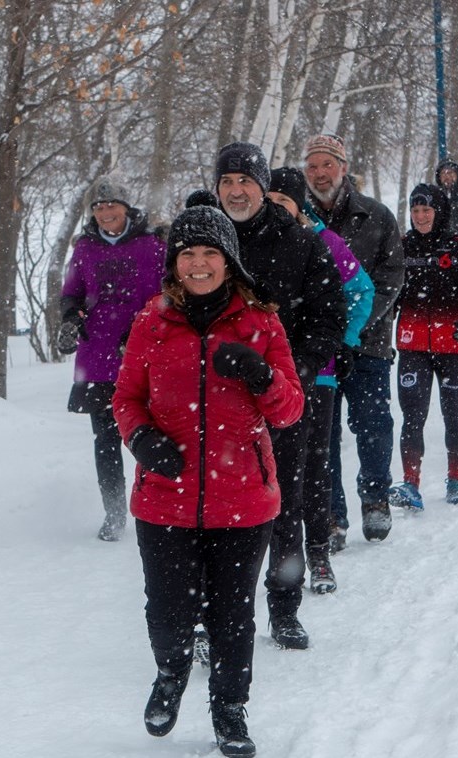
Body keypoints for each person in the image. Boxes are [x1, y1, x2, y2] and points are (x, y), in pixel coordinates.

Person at [113, 205, 304, 757]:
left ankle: (229, 708)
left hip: (242, 496)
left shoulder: (260, 324)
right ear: (175, 264)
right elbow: (126, 398)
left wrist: (261, 375)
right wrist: (142, 439)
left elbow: (290, 409)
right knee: (168, 609)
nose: (198, 264)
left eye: (210, 254)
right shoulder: (152, 321)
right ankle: (170, 675)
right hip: (164, 497)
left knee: (232, 612)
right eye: (188, 254)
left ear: (229, 262)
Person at [216, 142, 346, 649]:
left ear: (262, 186)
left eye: (245, 181)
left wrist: (302, 369)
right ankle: (213, 618)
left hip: (282, 398)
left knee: (283, 504)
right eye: (227, 181)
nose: (236, 190)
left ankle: (285, 609)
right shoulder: (206, 238)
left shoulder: (299, 241)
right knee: (216, 514)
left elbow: (328, 313)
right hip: (216, 402)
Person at [267, 165, 374, 594]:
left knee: (312, 468)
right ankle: (269, 558)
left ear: (299, 205)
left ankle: (318, 555)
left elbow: (361, 291)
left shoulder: (323, 241)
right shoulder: (246, 243)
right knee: (267, 472)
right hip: (261, 378)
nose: (276, 209)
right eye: (270, 200)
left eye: (284, 202)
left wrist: (342, 342)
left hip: (317, 376)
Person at [302, 132, 405, 547]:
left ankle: (376, 499)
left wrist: (353, 327)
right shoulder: (298, 217)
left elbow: (391, 278)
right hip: (318, 347)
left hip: (368, 344)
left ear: (344, 168)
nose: (320, 173)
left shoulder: (376, 216)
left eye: (328, 164)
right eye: (312, 166)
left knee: (373, 425)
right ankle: (331, 515)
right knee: (321, 434)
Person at [58, 176, 165, 541]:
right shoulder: (85, 249)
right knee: (105, 439)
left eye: (111, 205)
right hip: (98, 357)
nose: (105, 212)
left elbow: (163, 296)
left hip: (143, 354)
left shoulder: (151, 246)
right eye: (98, 207)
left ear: (126, 207)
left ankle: (157, 506)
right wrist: (71, 320)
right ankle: (115, 513)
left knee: (149, 434)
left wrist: (137, 332)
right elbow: (71, 292)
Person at [387, 184, 458, 511]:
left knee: (452, 412)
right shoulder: (401, 247)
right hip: (413, 344)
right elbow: (390, 295)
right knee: (412, 416)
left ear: (438, 211)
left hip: (453, 345)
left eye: (426, 210)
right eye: (415, 211)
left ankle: (455, 479)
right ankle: (410, 485)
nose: (420, 216)